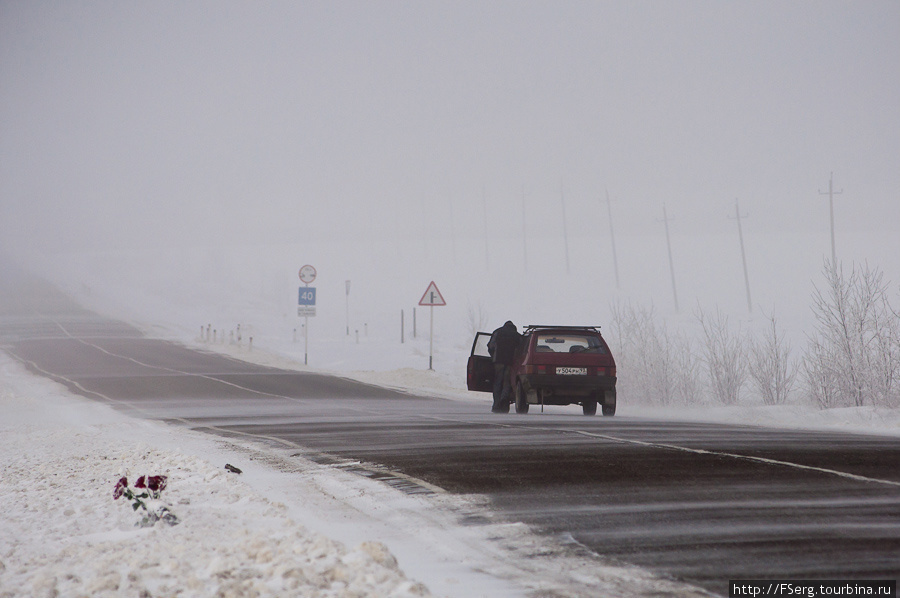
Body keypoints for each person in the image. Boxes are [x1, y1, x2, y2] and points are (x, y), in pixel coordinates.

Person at [487, 320, 522, 413]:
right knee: (507, 382)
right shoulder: (517, 335)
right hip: (511, 363)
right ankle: (504, 401)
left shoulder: (497, 332)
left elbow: (491, 346)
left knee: (497, 382)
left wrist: (493, 356)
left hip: (498, 361)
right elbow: (521, 350)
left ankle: (496, 404)